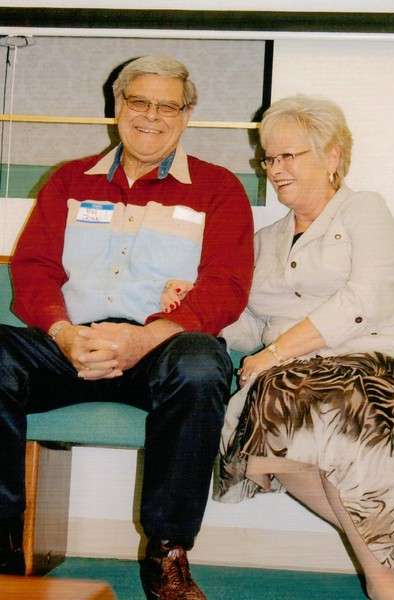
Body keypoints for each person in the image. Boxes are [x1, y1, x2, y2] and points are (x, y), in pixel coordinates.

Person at [0, 55, 254, 599]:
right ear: (118, 106)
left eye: (168, 106)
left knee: (201, 362)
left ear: (186, 115)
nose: (151, 116)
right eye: (140, 101)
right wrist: (64, 333)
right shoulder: (69, 180)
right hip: (71, 346)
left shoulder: (219, 189)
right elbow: (34, 270)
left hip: (158, 351)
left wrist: (145, 338)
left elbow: (227, 286)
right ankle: (1, 548)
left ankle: (168, 553)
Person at [214, 95, 394, 600]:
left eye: (289, 156)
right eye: (269, 158)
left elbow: (369, 298)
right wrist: (198, 312)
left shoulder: (364, 210)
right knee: (276, 415)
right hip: (298, 375)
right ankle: (392, 564)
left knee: (318, 405)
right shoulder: (263, 240)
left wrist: (274, 354)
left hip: (384, 359)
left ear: (332, 155)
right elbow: (250, 323)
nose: (275, 169)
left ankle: (383, 583)